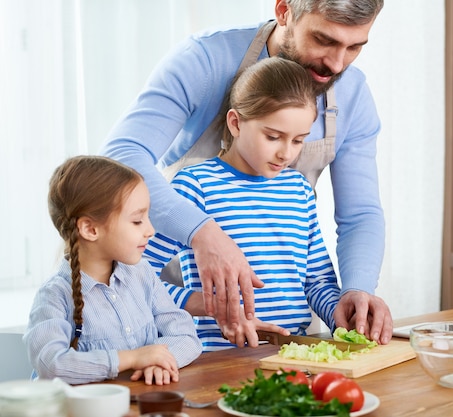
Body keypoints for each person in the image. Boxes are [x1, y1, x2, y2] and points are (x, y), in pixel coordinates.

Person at [101, 0, 393, 344]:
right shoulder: (204, 61)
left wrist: (355, 291)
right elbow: (121, 155)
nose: (336, 63)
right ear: (284, 11)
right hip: (185, 327)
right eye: (324, 40)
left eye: (355, 46)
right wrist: (202, 233)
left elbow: (359, 215)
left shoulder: (349, 100)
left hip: (284, 339)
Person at [144, 56, 342, 350]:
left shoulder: (298, 190)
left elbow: (317, 280)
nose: (286, 154)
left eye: (298, 140)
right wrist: (209, 306)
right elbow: (136, 280)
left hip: (292, 354)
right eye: (273, 137)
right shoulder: (195, 186)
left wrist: (342, 316)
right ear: (236, 123)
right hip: (216, 358)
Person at [23, 156, 202, 385]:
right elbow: (51, 364)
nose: (150, 230)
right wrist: (130, 359)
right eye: (137, 221)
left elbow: (186, 336)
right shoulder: (54, 295)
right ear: (90, 229)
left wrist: (160, 360)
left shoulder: (141, 274)